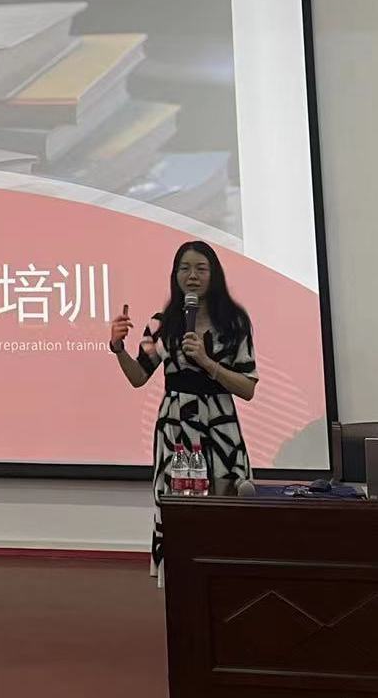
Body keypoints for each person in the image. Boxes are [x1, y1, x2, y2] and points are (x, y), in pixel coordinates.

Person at [108, 240, 258, 583]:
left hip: (220, 427)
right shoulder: (163, 324)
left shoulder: (234, 322)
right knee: (179, 509)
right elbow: (138, 377)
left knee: (225, 508)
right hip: (176, 428)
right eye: (185, 268)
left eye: (201, 269)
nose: (192, 276)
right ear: (175, 275)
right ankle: (180, 585)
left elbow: (248, 388)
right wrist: (117, 347)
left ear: (214, 274)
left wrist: (207, 363)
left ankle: (229, 581)